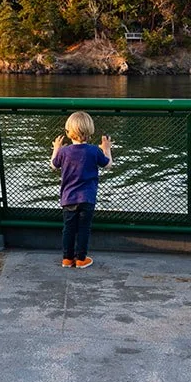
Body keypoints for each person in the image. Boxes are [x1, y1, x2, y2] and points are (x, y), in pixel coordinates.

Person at [51, 112, 113, 268]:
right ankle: (81, 259)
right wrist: (106, 149)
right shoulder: (94, 151)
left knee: (69, 228)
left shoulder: (64, 152)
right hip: (87, 198)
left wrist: (57, 148)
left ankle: (67, 258)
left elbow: (53, 164)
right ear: (90, 130)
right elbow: (108, 164)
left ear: (68, 132)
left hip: (68, 198)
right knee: (84, 228)